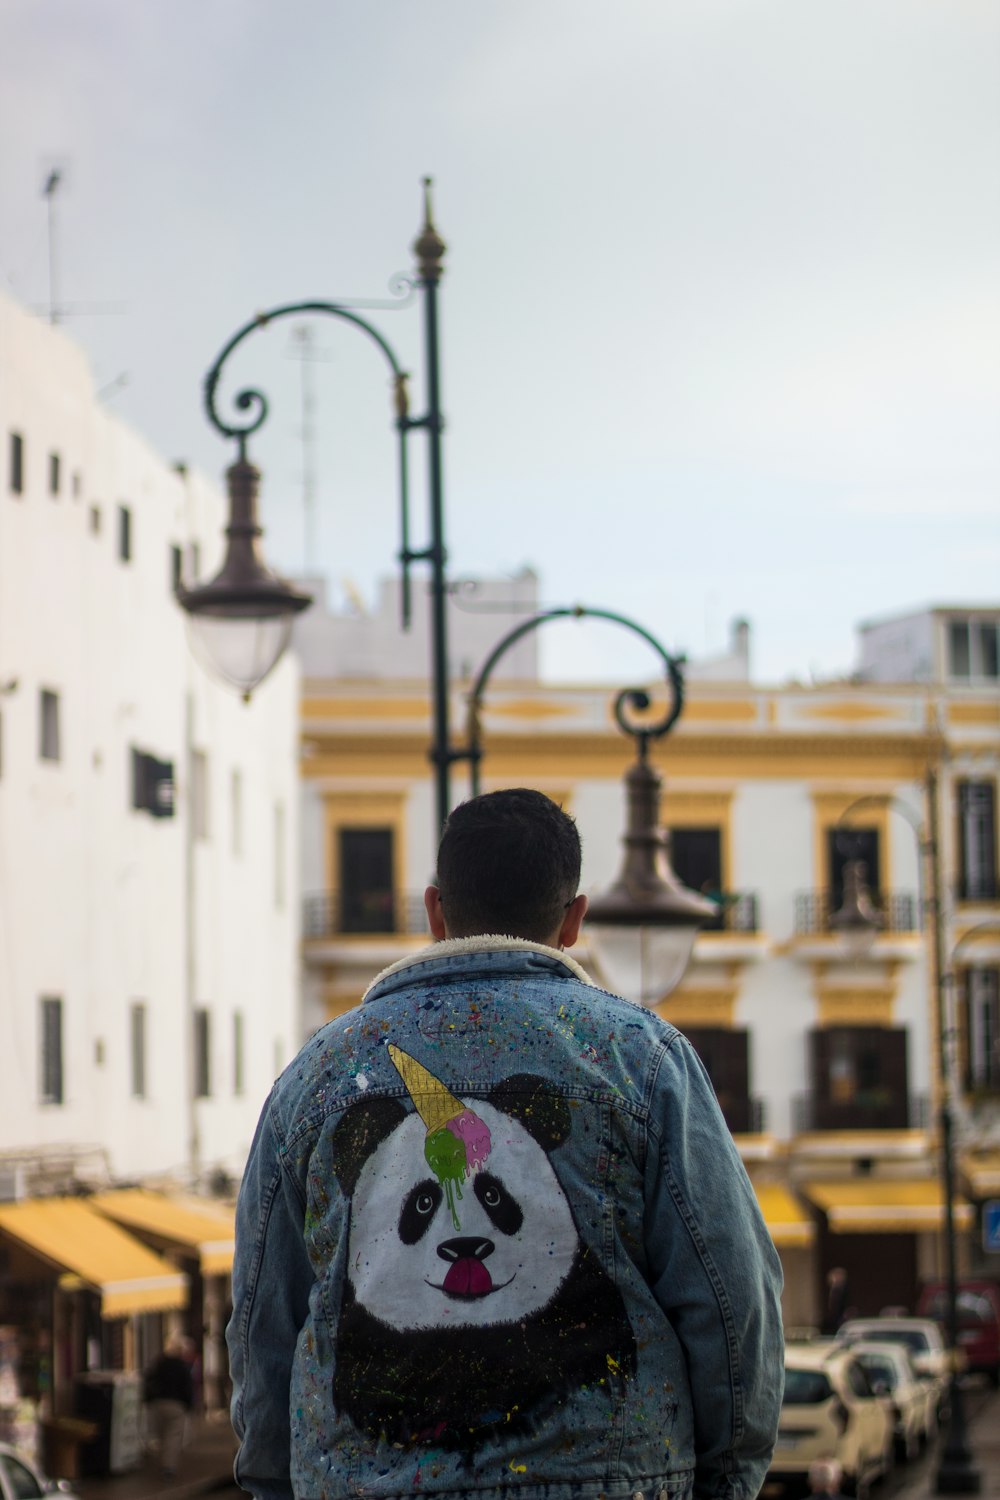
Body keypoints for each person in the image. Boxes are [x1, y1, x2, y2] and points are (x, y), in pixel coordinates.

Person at [227, 788, 784, 1500]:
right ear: (574, 920)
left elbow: (264, 1322)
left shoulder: (315, 1079)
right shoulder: (642, 1060)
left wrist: (278, 1482)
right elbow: (730, 1296)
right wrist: (724, 1480)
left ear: (436, 911)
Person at [144, 1335, 194, 1478]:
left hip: (158, 1403)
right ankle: (168, 1467)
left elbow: (149, 1379)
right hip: (176, 1404)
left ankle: (161, 1462)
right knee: (173, 1436)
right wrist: (188, 1405)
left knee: (160, 1434)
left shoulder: (159, 1363)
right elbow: (187, 1387)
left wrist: (149, 1399)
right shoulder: (182, 1366)